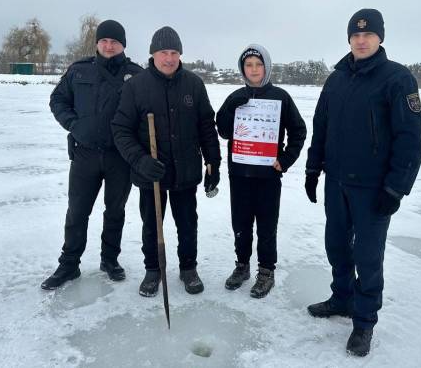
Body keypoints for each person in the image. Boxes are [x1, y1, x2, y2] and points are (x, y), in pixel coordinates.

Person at [305, 9, 421, 356]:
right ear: (349, 39)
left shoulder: (397, 79)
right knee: (337, 246)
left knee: (368, 257)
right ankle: (342, 298)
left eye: (368, 34)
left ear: (380, 37)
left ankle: (364, 320)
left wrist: (395, 188)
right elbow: (321, 126)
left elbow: (410, 139)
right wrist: (314, 169)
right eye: (356, 35)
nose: (361, 39)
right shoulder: (337, 79)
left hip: (373, 189)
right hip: (336, 183)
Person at [112, 26, 221, 297]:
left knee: (187, 223)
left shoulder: (193, 84)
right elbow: (120, 129)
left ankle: (188, 268)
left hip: (185, 172)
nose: (169, 58)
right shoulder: (135, 86)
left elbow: (206, 126)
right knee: (152, 225)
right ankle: (153, 269)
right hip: (151, 175)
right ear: (153, 54)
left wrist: (213, 163)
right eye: (164, 52)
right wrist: (140, 161)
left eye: (174, 52)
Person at [41, 20, 143, 290]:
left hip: (120, 157)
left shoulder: (136, 75)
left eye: (115, 42)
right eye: (104, 41)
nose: (109, 46)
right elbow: (57, 100)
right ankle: (69, 264)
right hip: (85, 154)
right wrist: (74, 125)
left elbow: (146, 112)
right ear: (97, 43)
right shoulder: (79, 71)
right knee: (77, 211)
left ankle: (110, 260)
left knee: (115, 211)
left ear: (123, 45)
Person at [216, 44, 307, 298]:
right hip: (240, 174)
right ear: (242, 69)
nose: (254, 69)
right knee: (241, 223)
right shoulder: (235, 96)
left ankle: (266, 271)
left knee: (267, 225)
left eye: (258, 64)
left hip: (268, 175)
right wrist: (231, 105)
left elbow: (299, 131)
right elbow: (222, 130)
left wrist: (285, 159)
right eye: (248, 65)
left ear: (266, 67)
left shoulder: (280, 97)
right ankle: (242, 266)